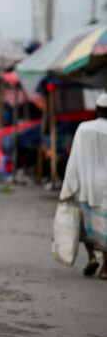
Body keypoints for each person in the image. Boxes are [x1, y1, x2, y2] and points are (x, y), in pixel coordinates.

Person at [59, 93, 107, 279]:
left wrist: (68, 185)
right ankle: (105, 267)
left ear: (96, 109)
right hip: (105, 186)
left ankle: (91, 256)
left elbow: (75, 158)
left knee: (86, 223)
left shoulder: (84, 128)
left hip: (87, 183)